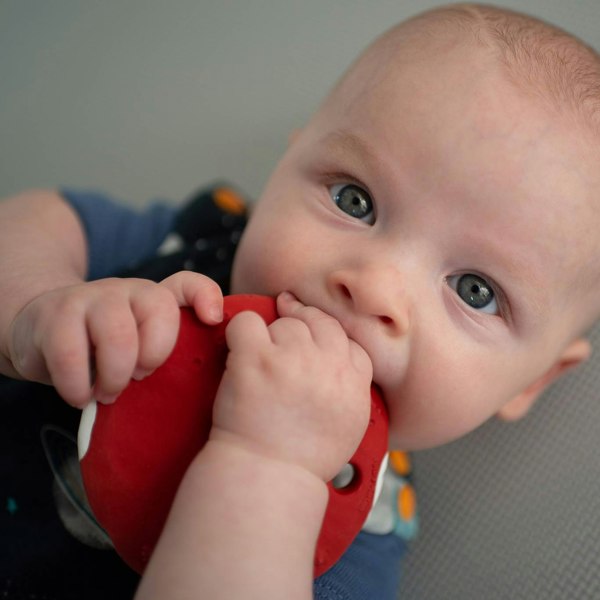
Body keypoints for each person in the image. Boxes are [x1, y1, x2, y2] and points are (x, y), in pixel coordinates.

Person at [1, 3, 600, 598]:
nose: (372, 285)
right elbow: (37, 221)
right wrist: (36, 308)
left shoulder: (355, 531)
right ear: (285, 166)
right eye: (353, 199)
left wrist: (271, 466)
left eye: (477, 291)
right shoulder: (201, 243)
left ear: (534, 380)